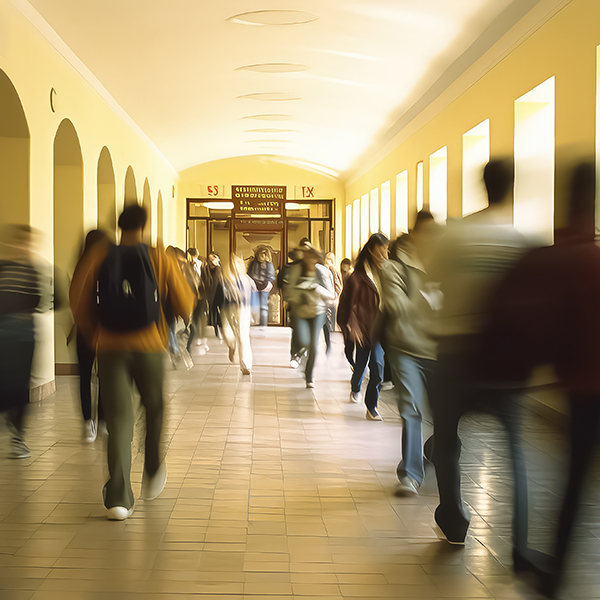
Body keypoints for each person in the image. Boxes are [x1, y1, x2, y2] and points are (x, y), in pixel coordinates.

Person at [477, 161, 600, 597]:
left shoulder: (558, 256)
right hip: (585, 382)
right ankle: (555, 571)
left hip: (584, 390)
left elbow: (529, 321)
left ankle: (556, 573)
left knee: (573, 479)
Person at [428, 159, 534, 569]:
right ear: (512, 187)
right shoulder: (522, 241)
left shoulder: (456, 236)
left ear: (482, 185)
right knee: (516, 451)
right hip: (505, 361)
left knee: (447, 442)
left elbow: (430, 286)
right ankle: (520, 545)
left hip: (455, 354)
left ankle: (454, 521)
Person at [70, 204, 194, 520]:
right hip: (150, 346)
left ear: (118, 224)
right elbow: (186, 303)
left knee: (118, 417)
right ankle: (152, 467)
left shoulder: (98, 254)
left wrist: (94, 332)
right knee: (154, 406)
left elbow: (78, 296)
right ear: (144, 224)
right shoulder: (159, 256)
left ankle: (118, 498)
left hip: (110, 347)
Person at [380, 213, 441, 496]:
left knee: (446, 414)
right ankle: (411, 473)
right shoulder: (392, 268)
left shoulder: (441, 265)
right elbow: (397, 305)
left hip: (438, 349)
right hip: (405, 347)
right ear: (414, 235)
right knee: (411, 408)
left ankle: (429, 451)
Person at [338, 233, 389, 420]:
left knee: (377, 366)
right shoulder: (357, 278)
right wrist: (350, 327)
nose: (385, 253)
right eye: (382, 249)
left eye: (386, 249)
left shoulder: (386, 273)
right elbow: (345, 305)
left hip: (380, 330)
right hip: (364, 329)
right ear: (371, 250)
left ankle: (371, 406)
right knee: (361, 364)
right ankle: (355, 387)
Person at [0, 225, 40, 459]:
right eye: (20, 242)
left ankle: (18, 436)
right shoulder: (3, 268)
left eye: (27, 243)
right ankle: (12, 422)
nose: (23, 247)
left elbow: (36, 300)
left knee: (22, 386)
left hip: (25, 337)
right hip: (5, 336)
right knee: (6, 384)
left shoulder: (31, 271)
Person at [283, 242, 335, 388]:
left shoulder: (322, 271)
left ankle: (309, 376)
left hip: (317, 311)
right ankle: (302, 358)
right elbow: (290, 290)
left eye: (311, 256)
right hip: (301, 311)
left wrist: (317, 289)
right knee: (304, 340)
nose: (309, 259)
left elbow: (330, 293)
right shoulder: (296, 269)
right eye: (306, 256)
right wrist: (301, 293)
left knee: (313, 345)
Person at [74, 229, 108, 442]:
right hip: (95, 330)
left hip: (93, 330)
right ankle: (95, 422)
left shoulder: (89, 267)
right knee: (95, 376)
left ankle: (93, 422)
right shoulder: (87, 268)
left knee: (91, 377)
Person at [222, 254, 256, 375]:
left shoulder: (246, 279)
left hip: (243, 309)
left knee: (243, 337)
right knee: (227, 333)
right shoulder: (226, 278)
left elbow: (255, 289)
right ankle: (231, 345)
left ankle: (245, 365)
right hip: (228, 308)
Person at [278, 247, 304, 368]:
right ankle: (297, 353)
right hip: (298, 303)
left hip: (296, 303)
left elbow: (280, 284)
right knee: (298, 328)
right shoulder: (299, 268)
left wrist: (285, 298)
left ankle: (296, 354)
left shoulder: (288, 268)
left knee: (297, 329)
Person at [186, 247, 208, 354]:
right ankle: (196, 339)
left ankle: (194, 340)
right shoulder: (197, 264)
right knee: (197, 319)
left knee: (196, 319)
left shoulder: (196, 265)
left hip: (197, 295)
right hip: (196, 295)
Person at [247, 246, 275, 327]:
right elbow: (271, 276)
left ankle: (255, 324)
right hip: (265, 286)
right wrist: (269, 283)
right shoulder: (268, 264)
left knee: (254, 306)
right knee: (263, 308)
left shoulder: (252, 263)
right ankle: (263, 326)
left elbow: (249, 274)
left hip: (254, 286)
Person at [202, 252, 224, 340]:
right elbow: (205, 281)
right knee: (212, 313)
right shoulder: (204, 269)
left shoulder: (219, 269)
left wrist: (217, 266)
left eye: (213, 259)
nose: (211, 261)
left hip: (219, 293)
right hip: (210, 294)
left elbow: (216, 280)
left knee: (220, 313)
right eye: (210, 259)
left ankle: (221, 330)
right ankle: (216, 331)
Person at [323, 252, 342, 353]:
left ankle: (330, 335)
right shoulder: (324, 270)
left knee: (332, 317)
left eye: (330, 259)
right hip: (327, 298)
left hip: (333, 298)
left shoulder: (334, 271)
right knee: (328, 318)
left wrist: (337, 295)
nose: (328, 261)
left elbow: (339, 285)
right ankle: (329, 336)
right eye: (327, 258)